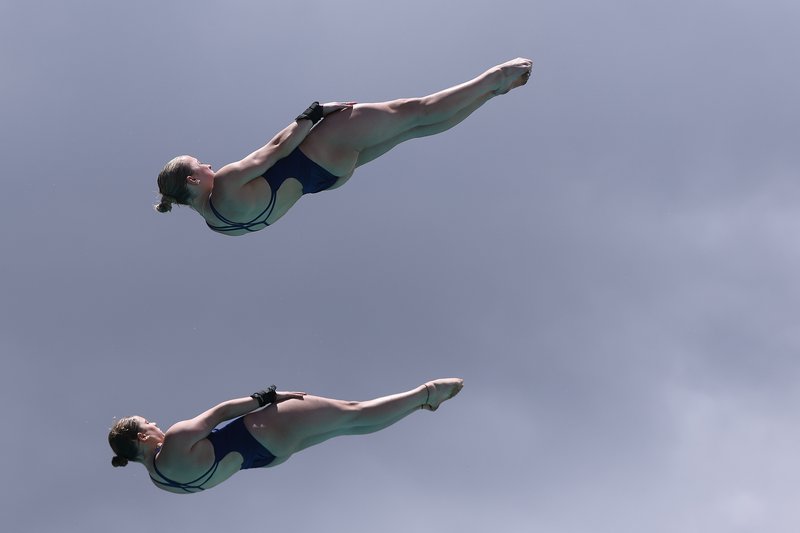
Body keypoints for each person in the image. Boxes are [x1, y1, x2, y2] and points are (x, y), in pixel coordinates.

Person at [155, 58, 533, 235]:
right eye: (200, 164)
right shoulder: (225, 182)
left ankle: (489, 94)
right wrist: (314, 112)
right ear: (191, 180)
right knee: (411, 111)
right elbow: (275, 149)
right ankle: (494, 77)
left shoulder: (218, 227)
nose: (208, 164)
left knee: (411, 132)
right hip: (318, 149)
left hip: (326, 179)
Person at [108, 378, 464, 493]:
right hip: (262, 430)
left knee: (350, 428)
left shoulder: (160, 481)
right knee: (355, 412)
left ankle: (421, 405)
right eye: (147, 422)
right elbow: (220, 412)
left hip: (267, 456)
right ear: (141, 437)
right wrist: (270, 396)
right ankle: (426, 394)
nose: (155, 422)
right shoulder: (174, 440)